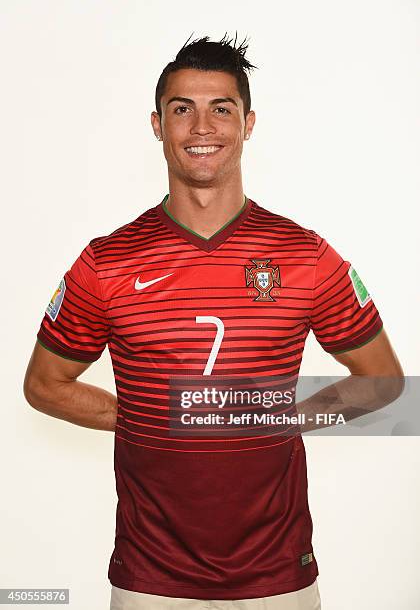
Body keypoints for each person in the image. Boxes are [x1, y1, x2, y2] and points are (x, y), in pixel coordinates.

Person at [23, 34, 404, 610]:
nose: (202, 126)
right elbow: (44, 384)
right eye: (183, 109)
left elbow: (384, 382)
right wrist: (150, 415)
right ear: (157, 124)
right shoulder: (107, 261)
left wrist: (283, 416)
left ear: (248, 123)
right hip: (149, 577)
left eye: (221, 108)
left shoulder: (305, 255)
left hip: (279, 576)